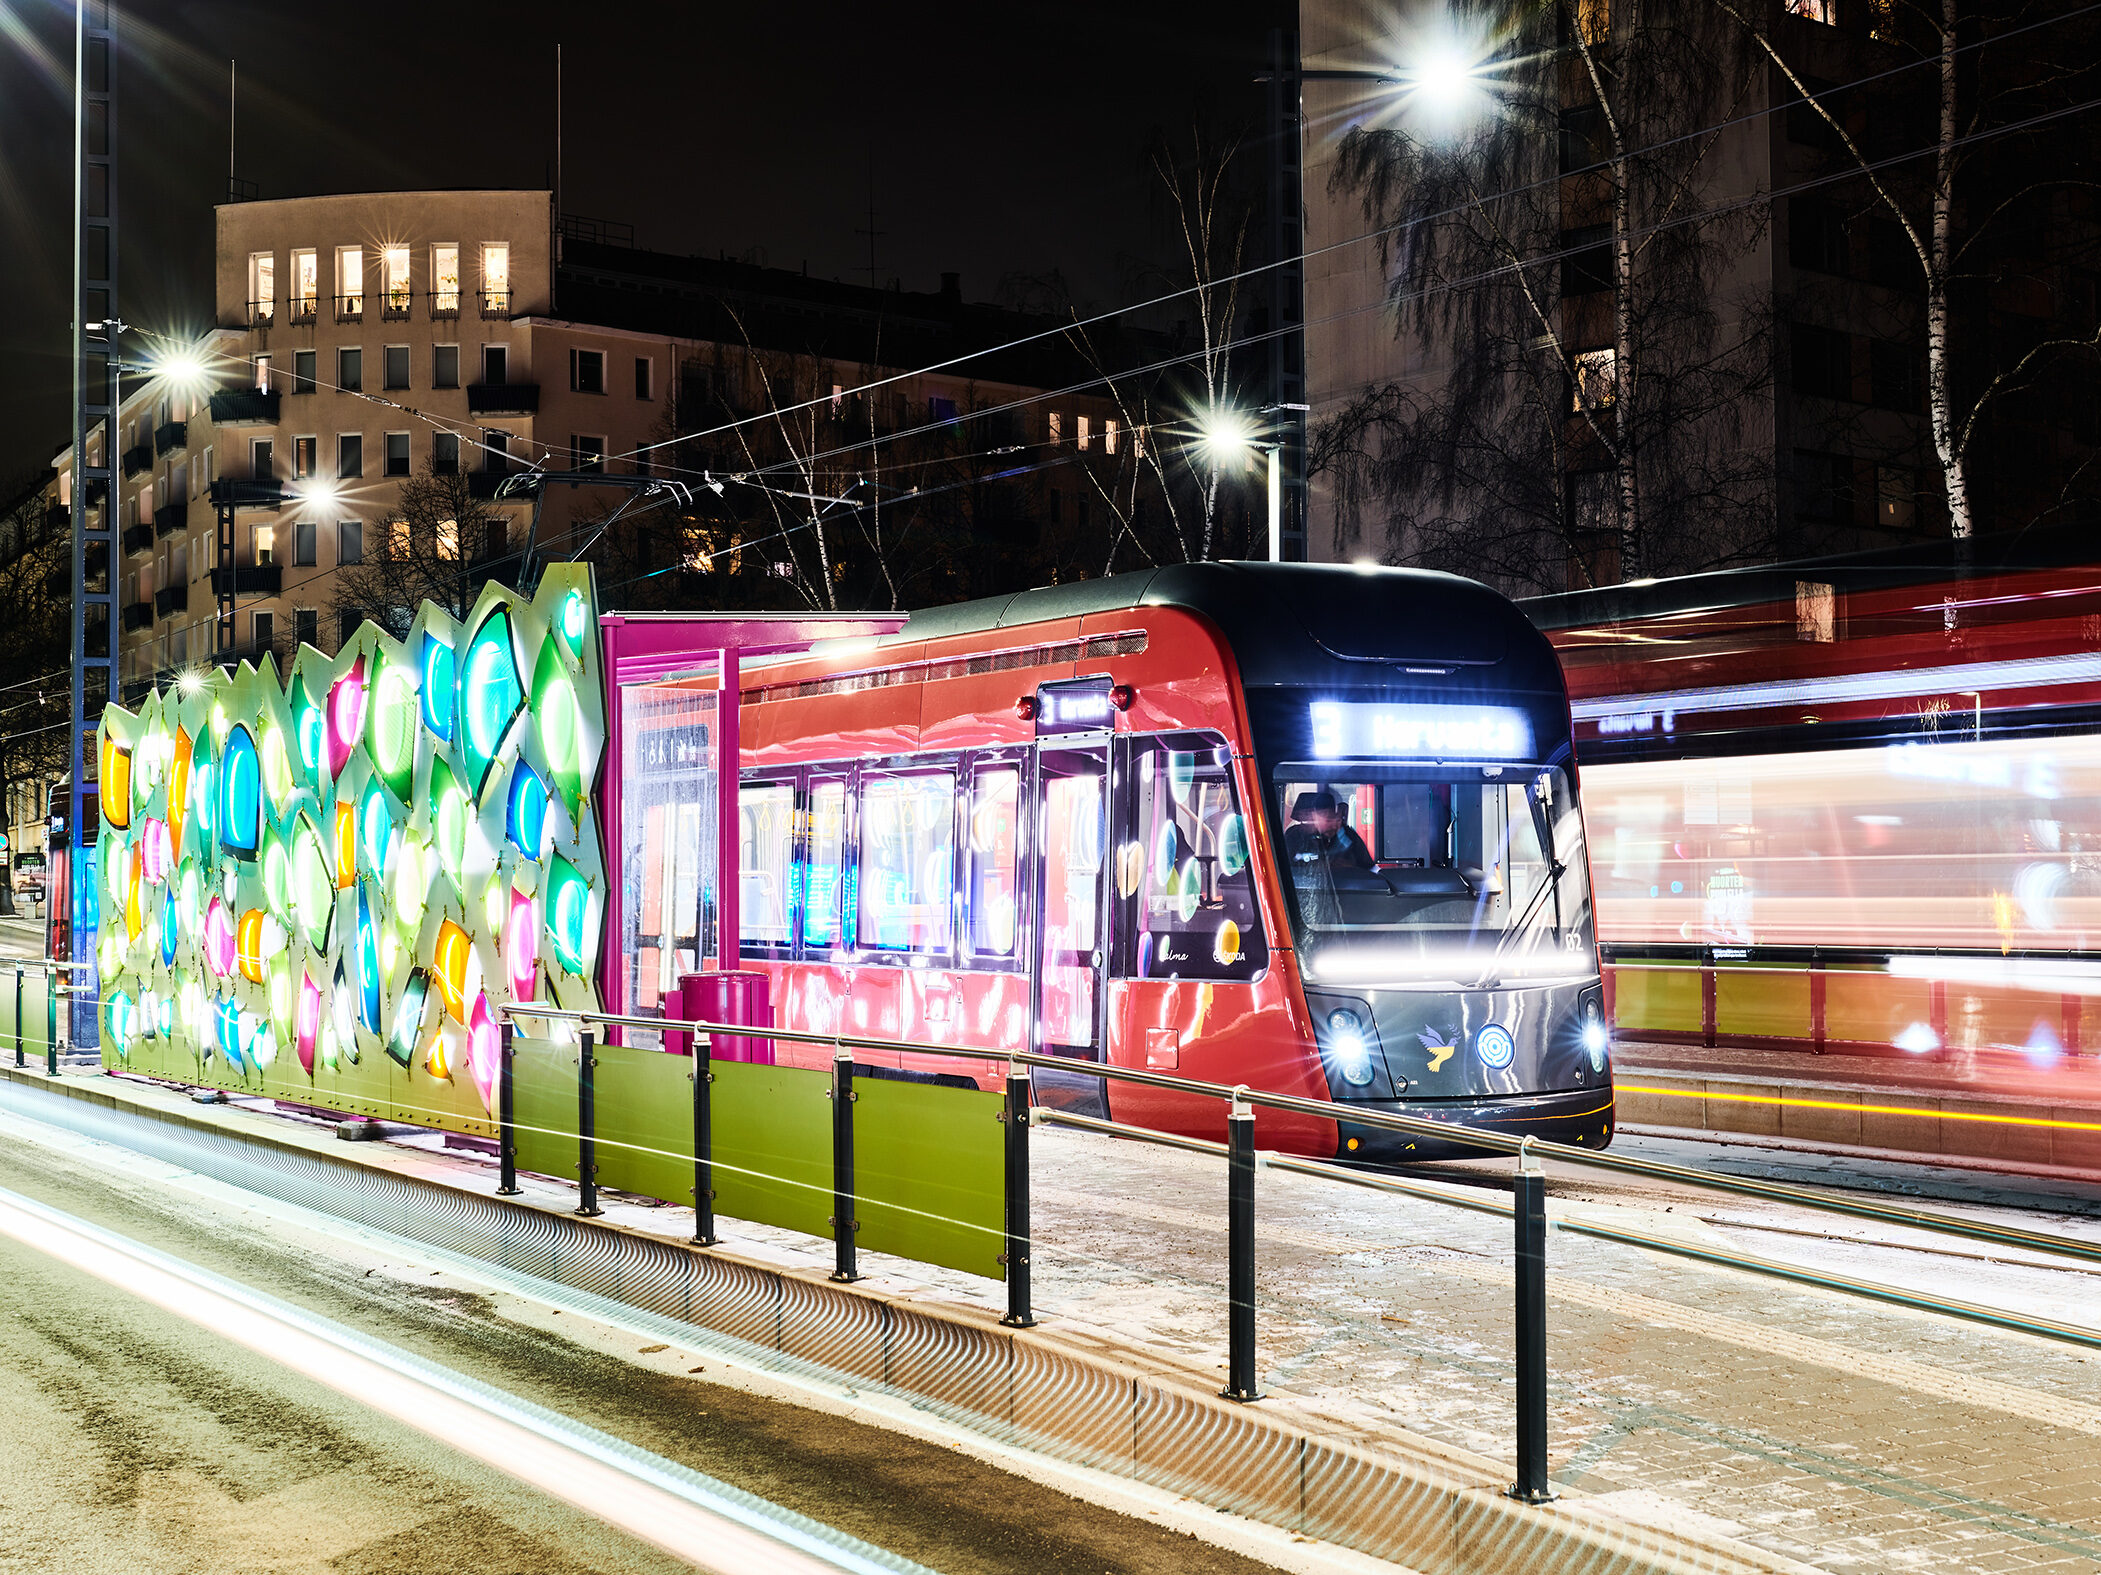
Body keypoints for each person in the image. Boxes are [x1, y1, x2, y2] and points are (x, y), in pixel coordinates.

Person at [1284, 790, 1375, 873]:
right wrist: (1323, 865)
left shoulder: (1347, 835)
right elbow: (1282, 870)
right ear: (1309, 817)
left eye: (1335, 817)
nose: (1334, 824)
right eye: (1327, 818)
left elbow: (1370, 869)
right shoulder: (1293, 835)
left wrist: (1349, 867)